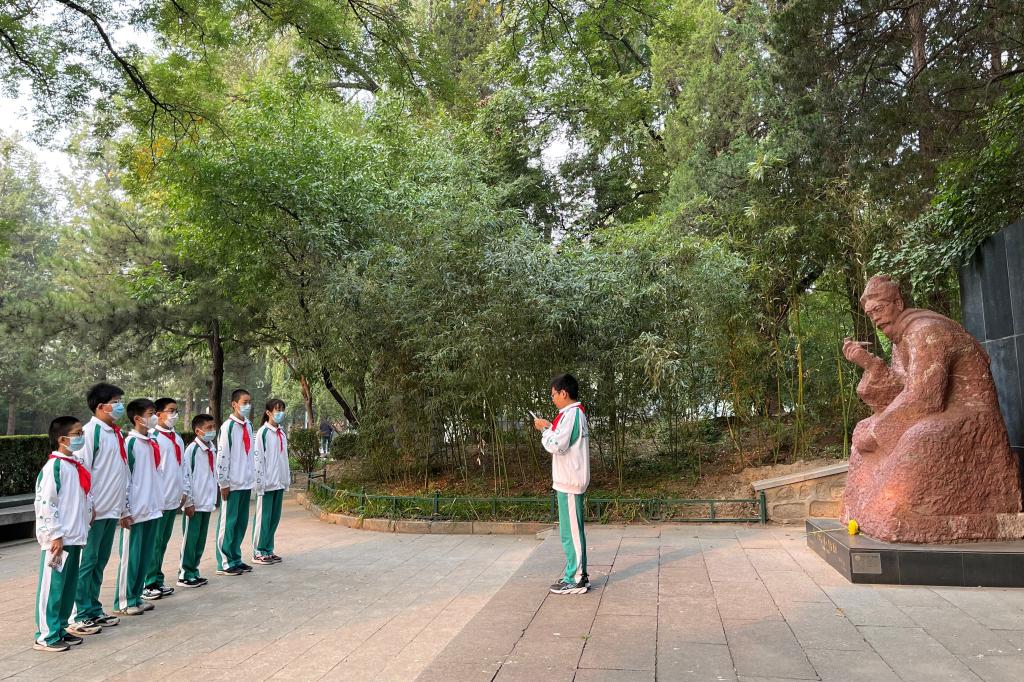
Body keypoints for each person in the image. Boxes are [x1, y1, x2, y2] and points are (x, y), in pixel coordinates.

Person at [68, 383, 129, 635]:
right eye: (115, 401)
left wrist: (123, 506)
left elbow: (121, 472)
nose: (120, 405)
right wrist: (88, 506)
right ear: (101, 406)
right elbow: (82, 473)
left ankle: (93, 607)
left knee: (100, 562)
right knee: (87, 562)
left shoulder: (116, 434)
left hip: (111, 509)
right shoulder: (90, 433)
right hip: (94, 511)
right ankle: (78, 613)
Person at [34, 417, 96, 652]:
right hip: (58, 540)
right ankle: (46, 635)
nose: (82, 437)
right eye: (77, 433)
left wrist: (88, 513)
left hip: (75, 536)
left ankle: (60, 628)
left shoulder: (74, 464)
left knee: (68, 587)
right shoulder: (54, 467)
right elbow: (46, 503)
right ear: (62, 439)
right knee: (53, 587)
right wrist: (55, 535)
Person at [533, 373, 590, 595]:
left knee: (571, 534)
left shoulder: (573, 414)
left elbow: (557, 445)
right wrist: (550, 426)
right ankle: (576, 575)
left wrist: (544, 430)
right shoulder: (570, 414)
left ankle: (576, 579)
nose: (553, 398)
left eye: (553, 394)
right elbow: (562, 438)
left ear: (564, 393)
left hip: (570, 482)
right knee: (570, 532)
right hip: (567, 481)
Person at [112, 399, 164, 615]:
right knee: (131, 557)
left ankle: (136, 595)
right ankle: (124, 600)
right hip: (135, 510)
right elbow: (124, 477)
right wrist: (124, 509)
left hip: (151, 507)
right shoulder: (130, 443)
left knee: (144, 556)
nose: (155, 417)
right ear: (137, 418)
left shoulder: (151, 442)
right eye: (151, 413)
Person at [144, 398, 192, 600]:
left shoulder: (177, 438)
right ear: (158, 414)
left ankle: (157, 578)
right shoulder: (152, 437)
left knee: (162, 542)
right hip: (159, 500)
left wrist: (184, 490)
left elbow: (183, 466)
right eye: (170, 411)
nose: (175, 415)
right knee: (153, 543)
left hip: (173, 498)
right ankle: (147, 582)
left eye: (176, 410)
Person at [216, 388, 256, 576]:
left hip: (245, 482)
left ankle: (235, 558)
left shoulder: (248, 425)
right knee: (229, 523)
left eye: (249, 402)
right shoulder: (228, 427)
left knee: (241, 522)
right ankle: (224, 561)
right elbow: (223, 455)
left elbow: (251, 453)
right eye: (244, 402)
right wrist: (223, 482)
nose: (248, 406)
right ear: (234, 404)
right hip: (232, 483)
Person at [177, 414, 218, 588]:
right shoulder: (192, 450)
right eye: (208, 428)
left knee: (200, 539)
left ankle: (194, 570)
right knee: (190, 539)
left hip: (206, 501)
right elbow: (186, 476)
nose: (212, 430)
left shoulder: (212, 448)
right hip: (195, 502)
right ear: (198, 431)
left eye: (213, 427)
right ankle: (184, 573)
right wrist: (189, 502)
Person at [252, 399, 289, 565]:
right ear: (268, 412)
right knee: (263, 519)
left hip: (279, 482)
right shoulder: (263, 433)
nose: (280, 413)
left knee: (274, 518)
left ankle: (268, 549)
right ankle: (258, 551)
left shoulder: (282, 433)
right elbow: (258, 459)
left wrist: (285, 479)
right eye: (277, 409)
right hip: (266, 484)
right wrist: (260, 483)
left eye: (282, 409)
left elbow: (284, 458)